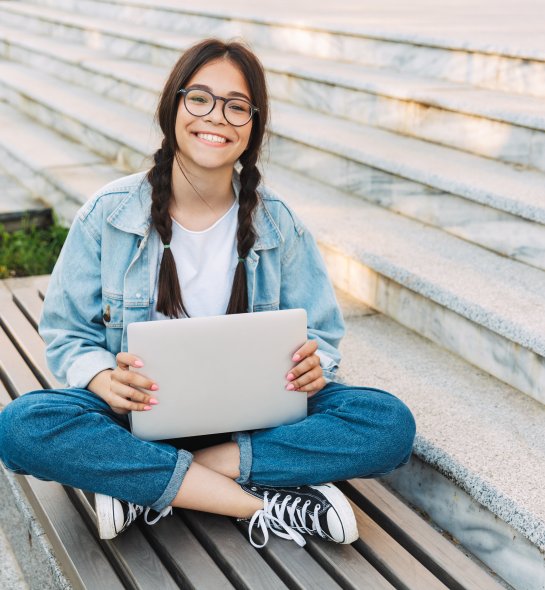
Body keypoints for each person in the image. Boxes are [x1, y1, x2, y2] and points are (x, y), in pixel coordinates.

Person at [0, 38, 416, 548]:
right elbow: (67, 333)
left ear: (252, 127)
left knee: (389, 425)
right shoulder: (109, 213)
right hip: (137, 417)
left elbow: (320, 335)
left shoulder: (278, 224)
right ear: (173, 106)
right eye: (199, 98)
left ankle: (145, 482)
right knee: (21, 426)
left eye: (236, 106)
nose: (216, 117)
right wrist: (102, 377)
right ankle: (262, 502)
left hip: (253, 421)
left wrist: (314, 365)